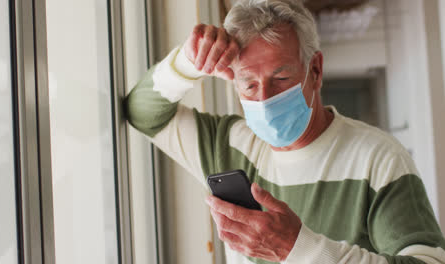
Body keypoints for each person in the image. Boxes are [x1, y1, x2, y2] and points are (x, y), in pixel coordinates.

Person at [125, 0, 445, 263]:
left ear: (315, 71)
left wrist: (300, 250)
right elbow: (142, 113)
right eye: (249, 84)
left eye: (281, 78)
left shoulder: (378, 158)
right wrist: (188, 63)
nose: (264, 100)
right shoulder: (227, 145)